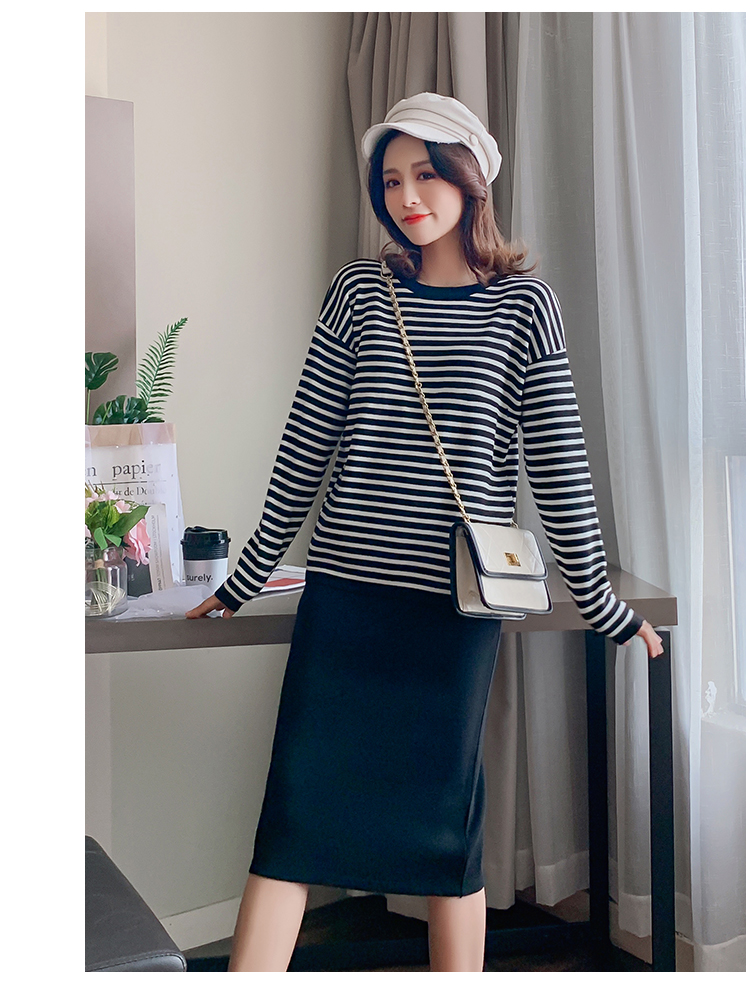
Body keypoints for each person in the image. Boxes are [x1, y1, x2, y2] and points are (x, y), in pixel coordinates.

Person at [187, 92, 664, 972]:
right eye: (392, 180)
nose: (407, 196)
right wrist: (245, 577)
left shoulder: (525, 306)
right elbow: (306, 445)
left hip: (453, 612)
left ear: (470, 180)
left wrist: (599, 600)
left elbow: (558, 464)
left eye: (427, 175)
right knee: (295, 821)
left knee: (445, 832)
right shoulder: (359, 293)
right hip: (346, 601)